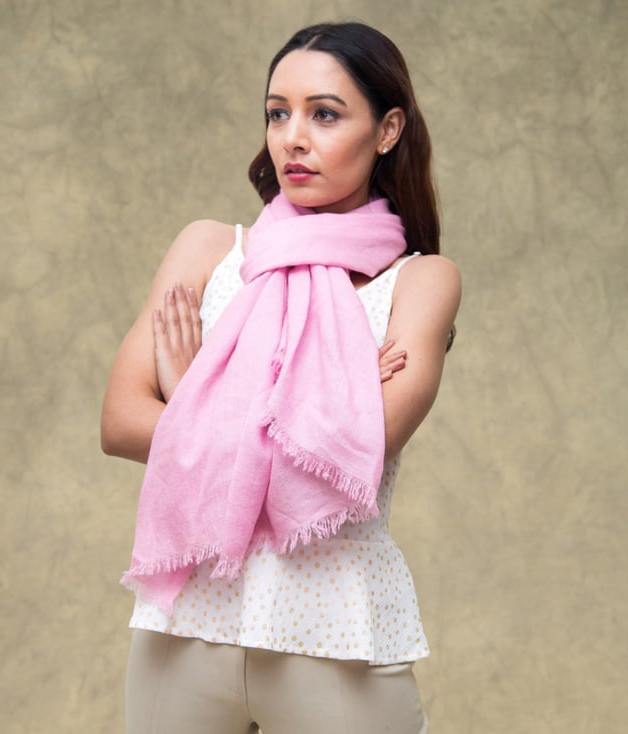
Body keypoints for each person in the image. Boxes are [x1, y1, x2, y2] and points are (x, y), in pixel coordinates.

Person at [101, 21, 461, 734]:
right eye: (277, 113)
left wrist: (191, 389)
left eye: (324, 114)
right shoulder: (208, 249)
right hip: (186, 629)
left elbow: (362, 448)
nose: (292, 137)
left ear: (387, 130)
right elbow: (119, 423)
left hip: (334, 635)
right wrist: (326, 401)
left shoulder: (422, 282)